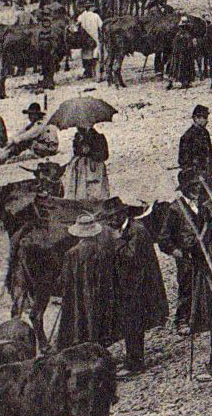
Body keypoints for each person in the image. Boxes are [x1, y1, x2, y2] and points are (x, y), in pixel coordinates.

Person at [56, 213, 121, 352]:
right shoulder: (103, 250)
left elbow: (64, 280)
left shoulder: (71, 254)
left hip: (78, 297)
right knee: (98, 322)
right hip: (100, 296)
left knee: (79, 322)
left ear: (78, 234)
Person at [116, 206, 168, 373]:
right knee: (130, 322)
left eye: (112, 217)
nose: (109, 221)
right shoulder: (128, 228)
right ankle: (133, 359)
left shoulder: (136, 231)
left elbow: (130, 256)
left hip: (139, 286)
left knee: (133, 323)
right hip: (133, 285)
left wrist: (114, 243)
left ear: (122, 214)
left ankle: (135, 364)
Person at [66, 124, 111, 200]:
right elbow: (76, 152)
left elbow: (105, 155)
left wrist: (90, 152)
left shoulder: (98, 137)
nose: (78, 127)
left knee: (96, 192)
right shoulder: (78, 137)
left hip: (95, 170)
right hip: (81, 170)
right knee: (81, 191)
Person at [178, 104, 212, 184]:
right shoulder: (187, 137)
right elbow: (183, 161)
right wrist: (194, 175)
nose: (206, 120)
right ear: (195, 118)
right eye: (204, 118)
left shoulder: (205, 133)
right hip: (194, 179)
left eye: (206, 118)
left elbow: (210, 155)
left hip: (207, 176)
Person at [76, 5, 103, 80]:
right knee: (96, 56)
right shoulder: (96, 16)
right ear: (91, 8)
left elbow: (77, 26)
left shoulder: (81, 16)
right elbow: (101, 26)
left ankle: (88, 72)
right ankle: (97, 76)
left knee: (86, 55)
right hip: (94, 38)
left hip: (85, 39)